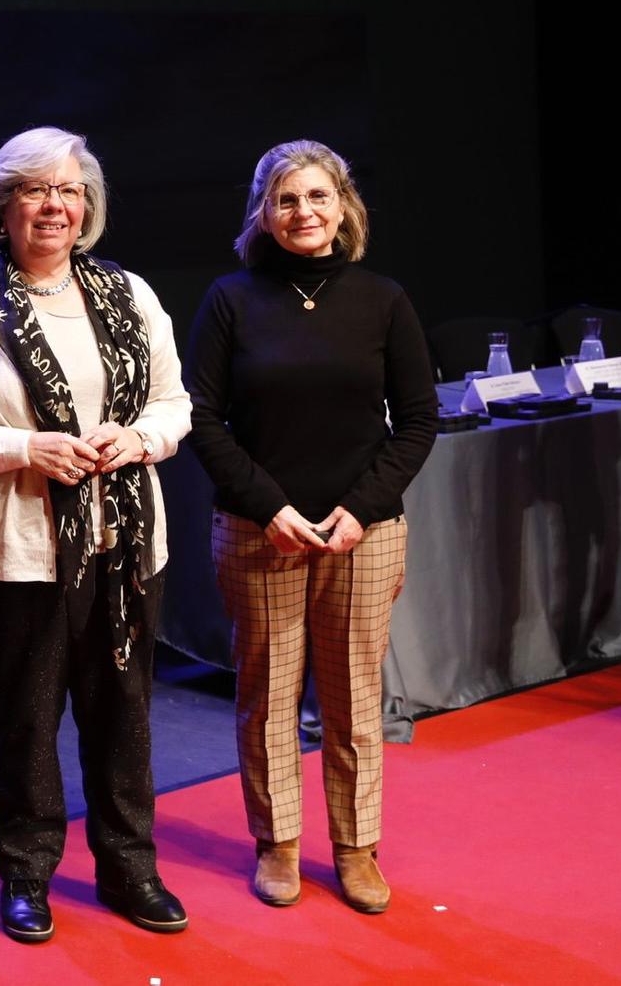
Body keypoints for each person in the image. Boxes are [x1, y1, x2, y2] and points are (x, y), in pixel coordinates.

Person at [0, 127, 193, 944]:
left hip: (125, 546)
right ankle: (27, 873)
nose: (55, 206)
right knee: (26, 721)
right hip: (17, 552)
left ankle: (128, 864)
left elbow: (176, 406)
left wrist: (134, 438)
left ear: (88, 206)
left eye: (69, 191)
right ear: (1, 206)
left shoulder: (130, 293)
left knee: (124, 711)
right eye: (37, 190)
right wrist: (23, 448)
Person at [183, 139, 437, 914]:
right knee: (264, 694)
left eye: (318, 197)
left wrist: (360, 509)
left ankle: (357, 848)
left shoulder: (384, 299)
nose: (304, 213)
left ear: (344, 208)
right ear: (264, 212)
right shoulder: (230, 298)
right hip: (261, 529)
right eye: (287, 199)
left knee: (356, 698)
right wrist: (272, 508)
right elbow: (202, 418)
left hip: (364, 531)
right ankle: (278, 843)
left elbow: (420, 419)